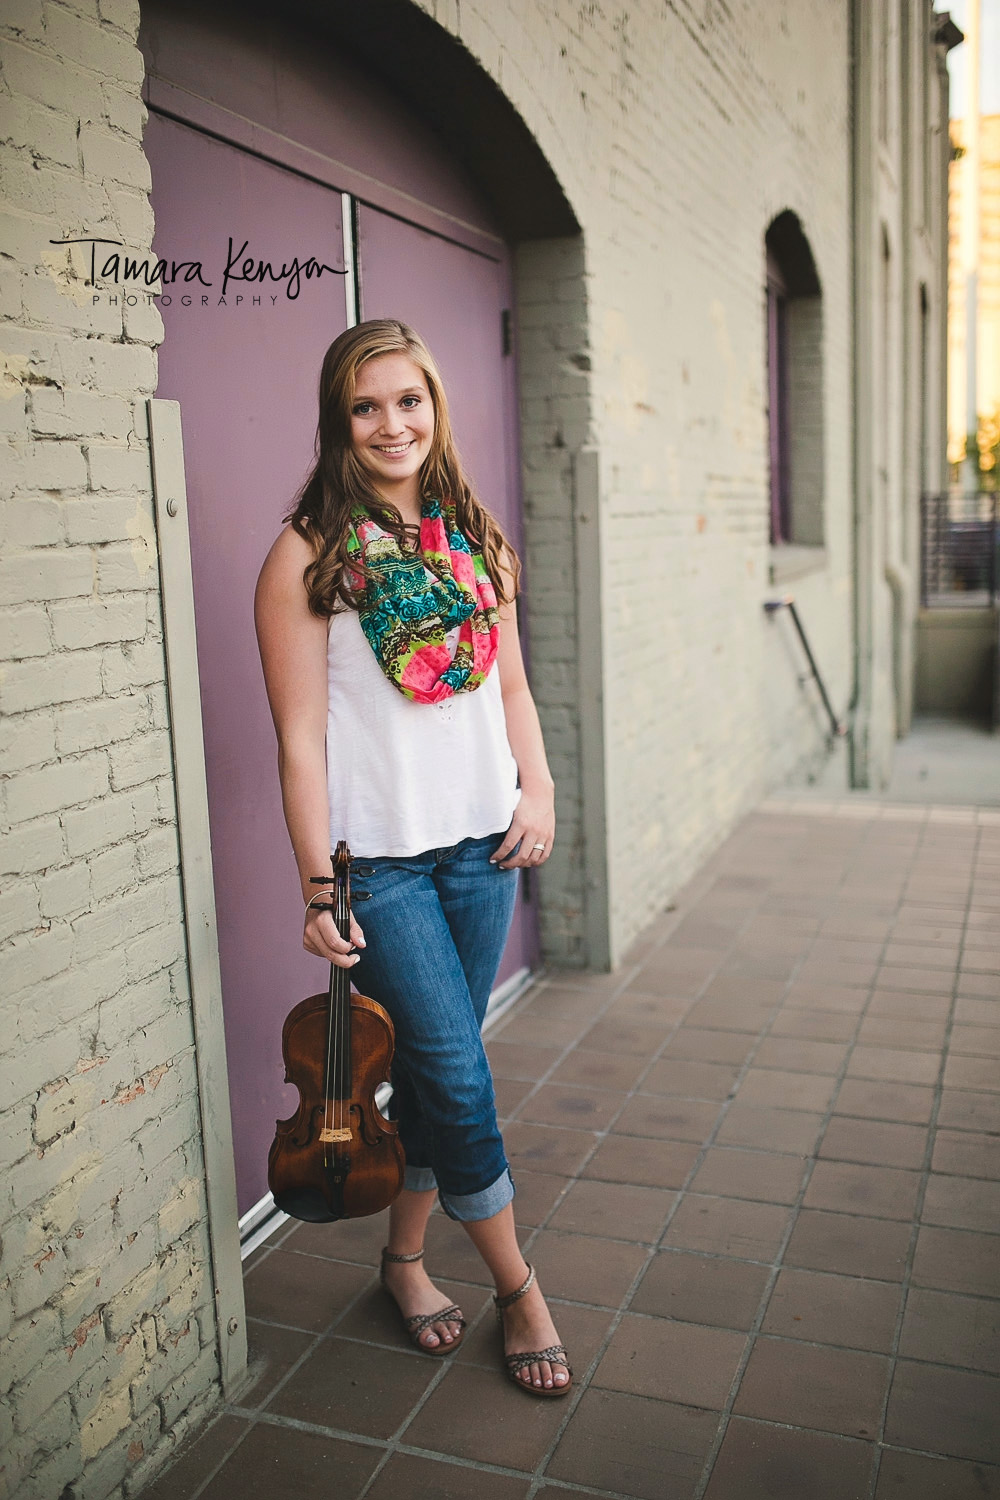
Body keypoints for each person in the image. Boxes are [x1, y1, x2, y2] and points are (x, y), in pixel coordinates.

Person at [254, 318, 571, 1396]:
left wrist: (539, 784)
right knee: (454, 1073)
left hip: (483, 848)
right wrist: (314, 888)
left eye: (410, 401)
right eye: (366, 405)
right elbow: (299, 738)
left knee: (442, 1079)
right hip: (378, 865)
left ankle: (401, 1261)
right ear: (338, 422)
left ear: (436, 408)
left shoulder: (474, 537)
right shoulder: (307, 555)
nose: (393, 424)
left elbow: (511, 689)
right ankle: (518, 1287)